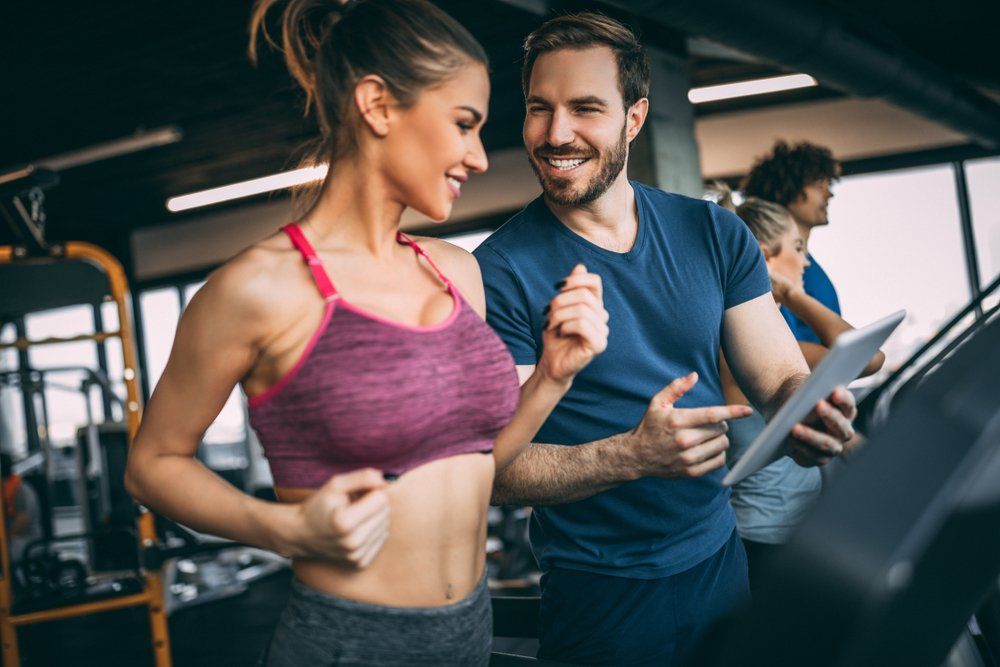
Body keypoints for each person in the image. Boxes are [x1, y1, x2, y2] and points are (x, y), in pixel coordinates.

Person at [124, 2, 608, 665]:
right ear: (378, 105)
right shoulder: (259, 288)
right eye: (464, 124)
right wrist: (285, 527)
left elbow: (477, 466)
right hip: (347, 644)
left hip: (470, 632)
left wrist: (553, 375)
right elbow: (152, 465)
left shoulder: (457, 273)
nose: (478, 156)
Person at [473, 13, 857, 666]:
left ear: (635, 116)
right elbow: (494, 473)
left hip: (720, 560)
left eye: (585, 108)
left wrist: (804, 407)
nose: (555, 133)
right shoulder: (497, 271)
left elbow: (776, 376)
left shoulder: (715, 233)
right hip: (600, 595)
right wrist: (628, 455)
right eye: (540, 108)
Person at [716, 194, 885, 595]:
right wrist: (791, 294)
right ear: (762, 255)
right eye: (797, 248)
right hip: (762, 538)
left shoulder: (772, 337)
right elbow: (871, 359)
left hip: (783, 530)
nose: (806, 262)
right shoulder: (744, 340)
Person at [741, 140, 843, 344]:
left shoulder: (806, 264)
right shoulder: (770, 269)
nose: (829, 194)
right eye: (818, 185)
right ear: (787, 190)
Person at [1, 453, 42, 564]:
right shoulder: (4, 489)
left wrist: (3, 539)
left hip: (26, 541)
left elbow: (21, 525)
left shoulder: (21, 491)